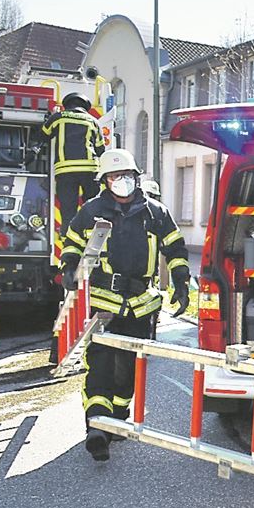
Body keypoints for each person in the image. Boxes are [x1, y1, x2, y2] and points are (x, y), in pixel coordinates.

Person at [59, 149, 189, 462]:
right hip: (103, 301)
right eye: (116, 176)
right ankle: (97, 427)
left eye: (127, 176)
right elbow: (73, 241)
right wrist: (68, 267)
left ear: (136, 177)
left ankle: (116, 417)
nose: (122, 181)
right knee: (100, 363)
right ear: (105, 180)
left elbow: (175, 247)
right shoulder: (91, 211)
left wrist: (182, 282)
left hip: (141, 304)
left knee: (128, 369)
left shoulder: (155, 212)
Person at [42, 92, 104, 234]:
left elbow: (43, 135)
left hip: (66, 170)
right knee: (91, 203)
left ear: (67, 105)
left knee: (68, 206)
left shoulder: (58, 118)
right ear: (85, 107)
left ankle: (68, 233)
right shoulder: (93, 121)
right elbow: (101, 149)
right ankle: (91, 232)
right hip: (90, 170)